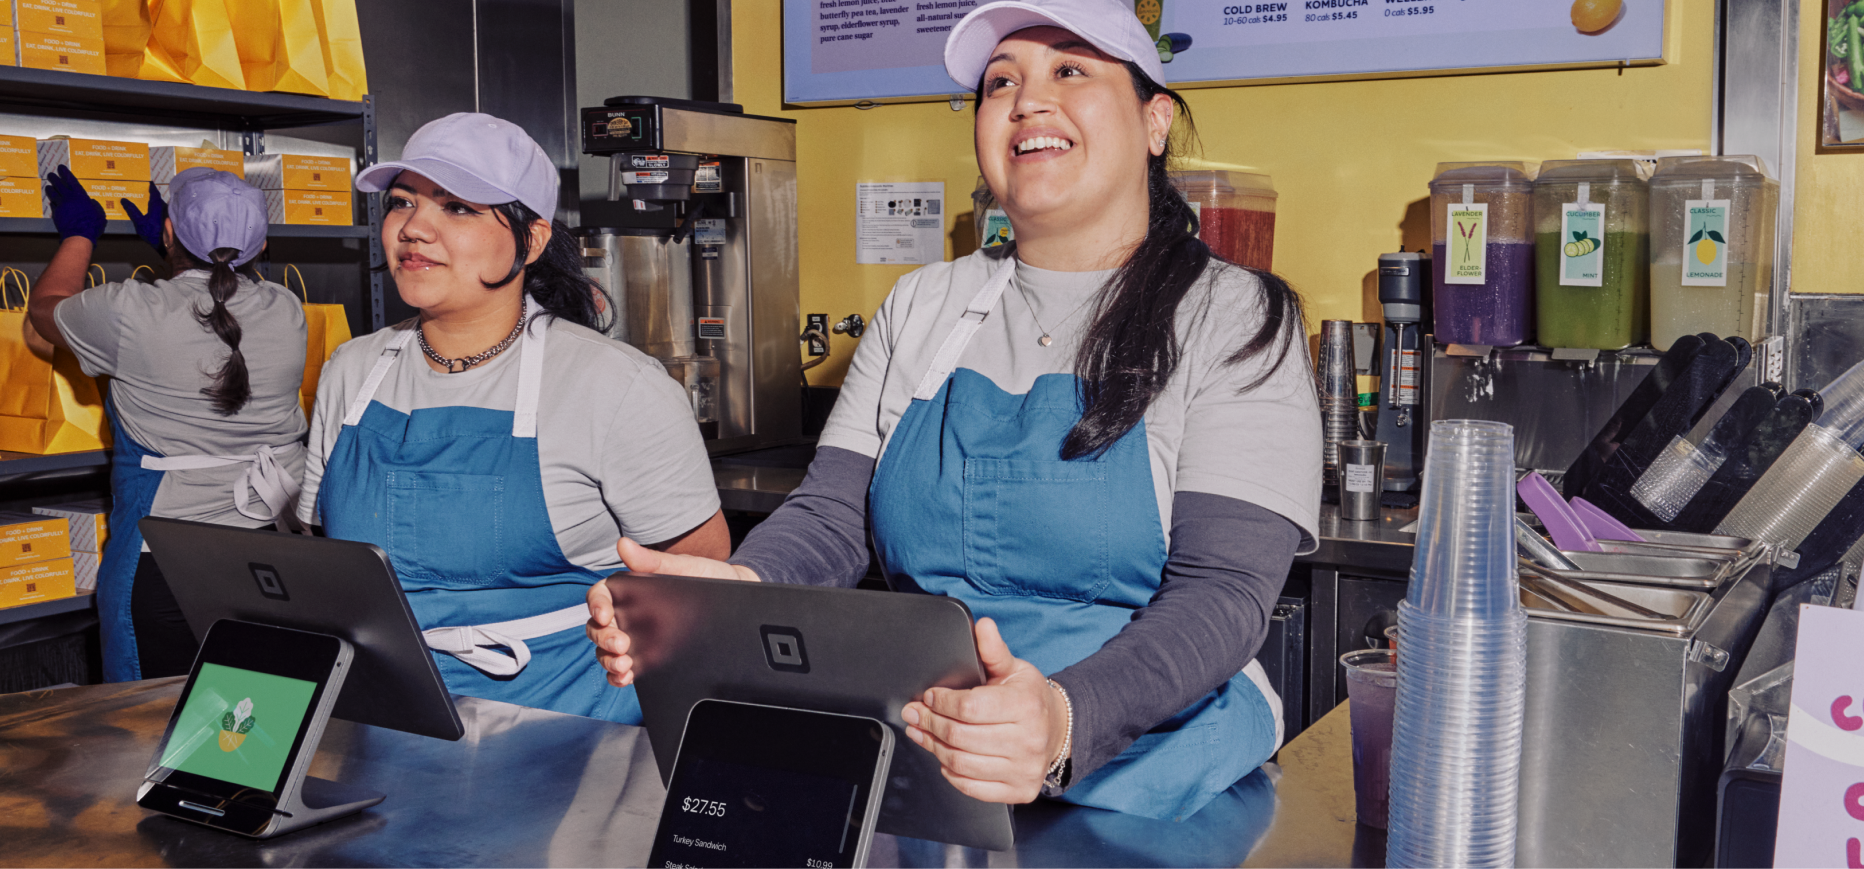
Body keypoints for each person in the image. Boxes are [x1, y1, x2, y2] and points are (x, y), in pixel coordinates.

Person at [589, 0, 1320, 822]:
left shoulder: (1232, 314)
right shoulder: (925, 305)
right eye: (999, 82)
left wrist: (1064, 716)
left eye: (1070, 70)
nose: (1027, 100)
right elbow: (834, 516)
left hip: (1149, 757)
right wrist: (735, 590)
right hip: (930, 737)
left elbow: (1221, 592)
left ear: (1154, 121)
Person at [300, 113, 729, 724]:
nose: (414, 229)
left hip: (567, 727)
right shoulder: (353, 370)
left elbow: (701, 578)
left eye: (458, 208)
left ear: (530, 240)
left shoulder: (614, 385)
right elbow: (325, 557)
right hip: (377, 713)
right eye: (401, 203)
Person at [25, 166, 310, 681]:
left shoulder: (130, 311)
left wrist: (79, 234)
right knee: (251, 723)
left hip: (167, 562)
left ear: (170, 232)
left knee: (149, 731)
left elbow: (44, 311)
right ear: (263, 243)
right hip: (273, 554)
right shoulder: (288, 310)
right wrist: (175, 253)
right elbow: (215, 307)